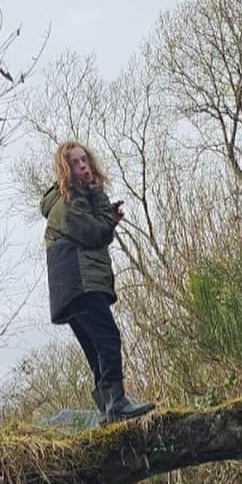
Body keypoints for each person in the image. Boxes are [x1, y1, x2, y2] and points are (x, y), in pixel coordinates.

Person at [40, 140, 155, 421]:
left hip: (70, 288)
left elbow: (93, 229)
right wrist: (103, 205)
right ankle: (116, 402)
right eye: (76, 163)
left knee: (95, 346)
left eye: (85, 160)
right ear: (66, 169)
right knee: (107, 338)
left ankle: (108, 408)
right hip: (81, 282)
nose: (84, 167)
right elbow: (97, 234)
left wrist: (101, 212)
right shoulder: (69, 203)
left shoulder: (70, 201)